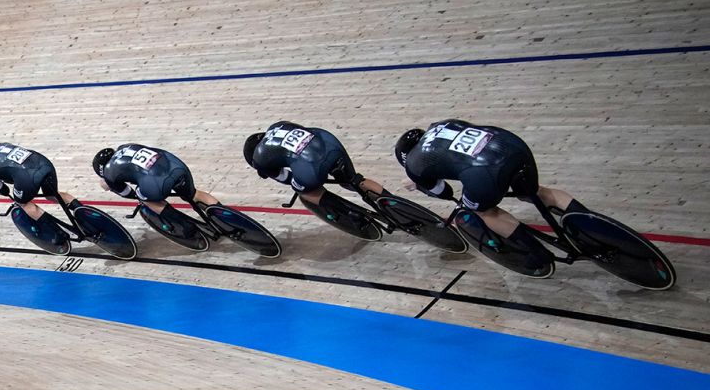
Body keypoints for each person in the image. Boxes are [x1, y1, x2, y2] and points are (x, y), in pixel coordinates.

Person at [393, 119, 576, 241]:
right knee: (533, 192)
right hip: (511, 145)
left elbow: (444, 192)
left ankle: (536, 254)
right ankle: (590, 223)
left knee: (484, 211)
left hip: (485, 172)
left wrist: (419, 184)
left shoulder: (413, 164)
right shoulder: (439, 124)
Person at [243, 122, 387, 205]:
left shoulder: (259, 159)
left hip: (312, 164)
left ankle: (346, 212)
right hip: (330, 144)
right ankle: (392, 204)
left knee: (304, 191)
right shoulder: (277, 126)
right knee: (352, 181)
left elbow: (286, 178)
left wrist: (302, 181)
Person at [91, 143, 227, 214]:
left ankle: (184, 226)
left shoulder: (108, 173)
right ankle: (227, 216)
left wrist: (111, 185)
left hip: (158, 183)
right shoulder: (125, 147)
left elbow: (127, 193)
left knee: (145, 199)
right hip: (176, 165)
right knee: (194, 194)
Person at [0, 142, 87, 223]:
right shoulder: (0, 145)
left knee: (23, 203)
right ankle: (87, 215)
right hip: (44, 163)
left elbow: (4, 190)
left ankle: (56, 233)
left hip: (28, 176)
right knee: (52, 195)